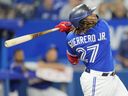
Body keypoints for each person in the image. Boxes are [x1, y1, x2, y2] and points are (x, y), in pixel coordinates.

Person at [55, 4, 128, 96]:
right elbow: (92, 24)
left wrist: (69, 30)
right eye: (89, 15)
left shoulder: (70, 38)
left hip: (111, 78)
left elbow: (73, 61)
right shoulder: (102, 26)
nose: (93, 15)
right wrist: (70, 26)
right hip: (97, 81)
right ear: (83, 21)